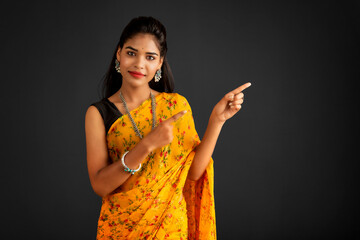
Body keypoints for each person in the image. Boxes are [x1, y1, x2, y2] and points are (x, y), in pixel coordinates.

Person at [85, 16, 251, 240]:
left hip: (171, 229)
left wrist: (217, 120)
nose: (139, 64)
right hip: (121, 230)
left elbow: (193, 173)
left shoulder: (175, 106)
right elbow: (100, 185)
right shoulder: (98, 113)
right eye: (131, 53)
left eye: (150, 57)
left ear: (160, 63)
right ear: (119, 54)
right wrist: (146, 145)